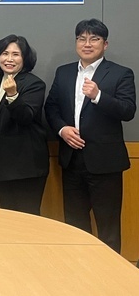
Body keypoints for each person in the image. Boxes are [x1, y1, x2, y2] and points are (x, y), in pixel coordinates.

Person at [45, 19, 136, 253]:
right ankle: (79, 270)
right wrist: (62, 130)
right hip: (71, 161)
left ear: (105, 44)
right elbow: (51, 108)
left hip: (105, 163)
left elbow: (128, 111)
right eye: (82, 38)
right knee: (75, 226)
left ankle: (110, 273)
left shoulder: (121, 73)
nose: (87, 44)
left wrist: (98, 96)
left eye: (94, 39)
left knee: (108, 227)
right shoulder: (64, 72)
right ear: (76, 42)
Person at [0, 35, 48, 215]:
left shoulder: (34, 84)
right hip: (0, 165)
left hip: (26, 166)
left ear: (25, 58)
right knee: (7, 219)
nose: (9, 59)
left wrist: (13, 96)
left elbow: (25, 117)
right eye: (5, 53)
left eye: (16, 54)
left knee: (28, 219)